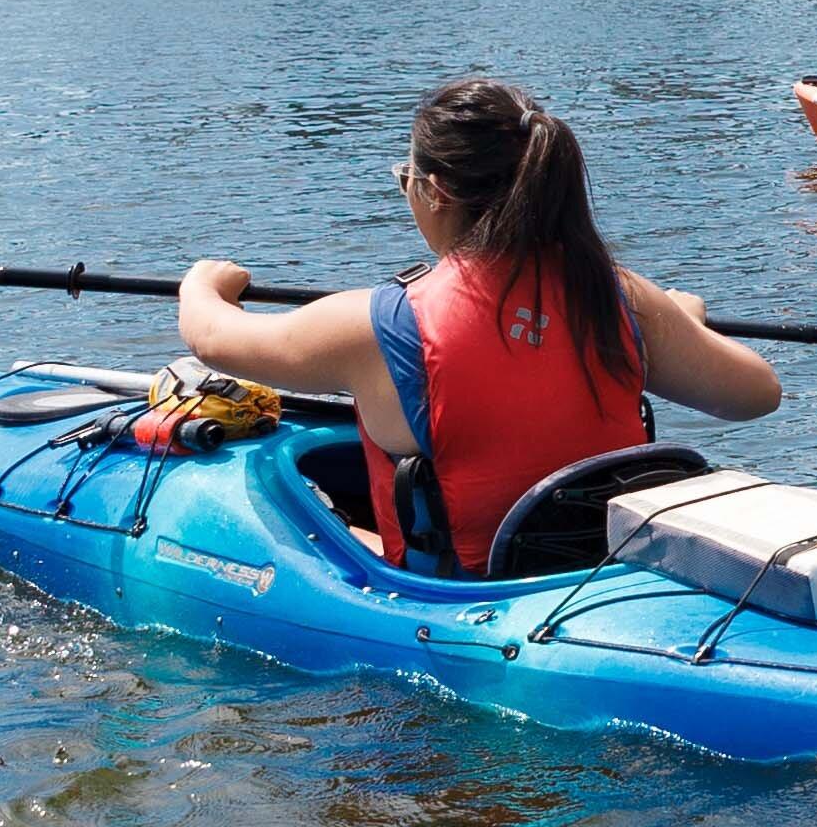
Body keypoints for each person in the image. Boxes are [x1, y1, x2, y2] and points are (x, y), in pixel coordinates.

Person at [175, 74, 779, 573]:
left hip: (466, 597)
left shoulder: (373, 324)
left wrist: (203, 281)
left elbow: (213, 338)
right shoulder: (620, 297)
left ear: (435, 191)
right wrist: (677, 326)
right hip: (595, 571)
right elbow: (757, 394)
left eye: (403, 180)